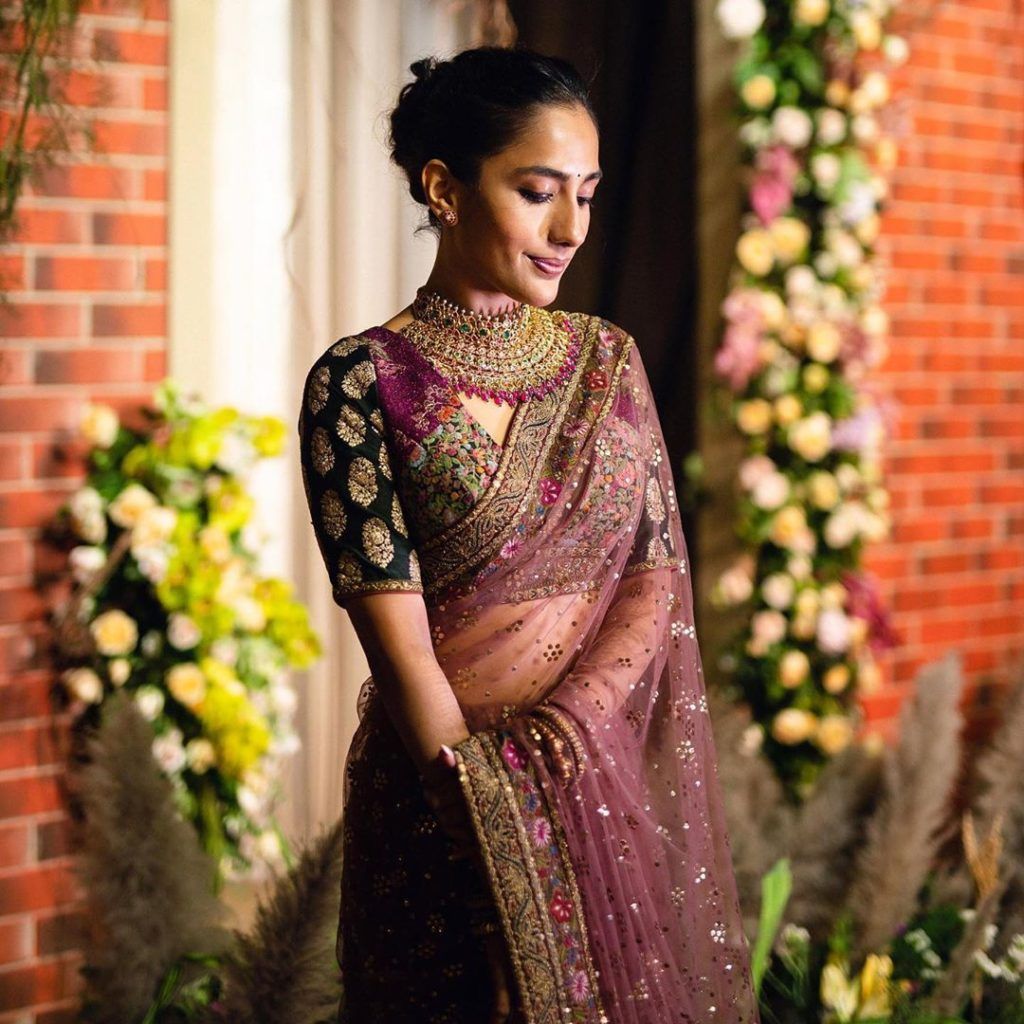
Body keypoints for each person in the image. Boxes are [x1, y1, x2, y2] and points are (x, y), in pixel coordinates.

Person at [298, 44, 760, 1024]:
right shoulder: (358, 383)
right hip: (435, 810)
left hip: (593, 800)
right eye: (537, 191)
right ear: (445, 187)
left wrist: (563, 740)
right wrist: (497, 826)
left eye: (585, 196)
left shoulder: (606, 361)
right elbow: (404, 649)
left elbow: (652, 579)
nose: (567, 229)